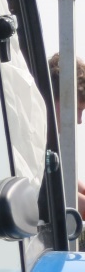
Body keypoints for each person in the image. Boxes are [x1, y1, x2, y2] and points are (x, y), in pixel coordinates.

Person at [49, 52, 85, 216]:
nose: (79, 121)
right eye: (78, 109)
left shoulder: (50, 146)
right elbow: (68, 196)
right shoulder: (31, 140)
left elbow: (76, 186)